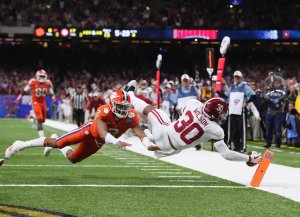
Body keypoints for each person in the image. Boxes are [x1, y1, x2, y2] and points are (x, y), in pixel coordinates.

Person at [124, 80, 262, 165]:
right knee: (157, 120)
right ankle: (146, 131)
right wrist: (248, 158)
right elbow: (226, 155)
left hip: (165, 133)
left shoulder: (194, 104)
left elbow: (182, 111)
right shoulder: (216, 130)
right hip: (170, 150)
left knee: (150, 110)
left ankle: (129, 94)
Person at [4, 90, 156, 164]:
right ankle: (20, 145)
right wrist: (116, 142)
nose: (124, 110)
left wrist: (148, 144)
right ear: (112, 104)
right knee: (57, 144)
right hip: (88, 131)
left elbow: (140, 133)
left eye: (125, 106)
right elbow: (102, 133)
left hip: (98, 142)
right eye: (120, 106)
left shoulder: (130, 116)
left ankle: (57, 139)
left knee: (73, 158)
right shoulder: (104, 110)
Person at [15, 69, 56, 138]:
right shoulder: (33, 82)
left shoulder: (48, 82)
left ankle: (34, 116)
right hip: (35, 102)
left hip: (43, 103)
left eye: (43, 76)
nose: (42, 78)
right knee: (39, 119)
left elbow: (51, 91)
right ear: (37, 76)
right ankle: (42, 138)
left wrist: (53, 96)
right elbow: (24, 90)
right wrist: (19, 97)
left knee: (43, 120)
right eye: (41, 76)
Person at [223, 71, 256, 152]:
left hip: (241, 111)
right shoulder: (232, 87)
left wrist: (246, 103)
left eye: (238, 77)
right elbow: (225, 96)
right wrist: (217, 91)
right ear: (234, 78)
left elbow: (253, 95)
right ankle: (236, 146)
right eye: (235, 77)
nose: (236, 78)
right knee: (233, 130)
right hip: (232, 111)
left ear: (241, 78)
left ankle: (242, 147)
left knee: (241, 130)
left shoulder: (245, 87)